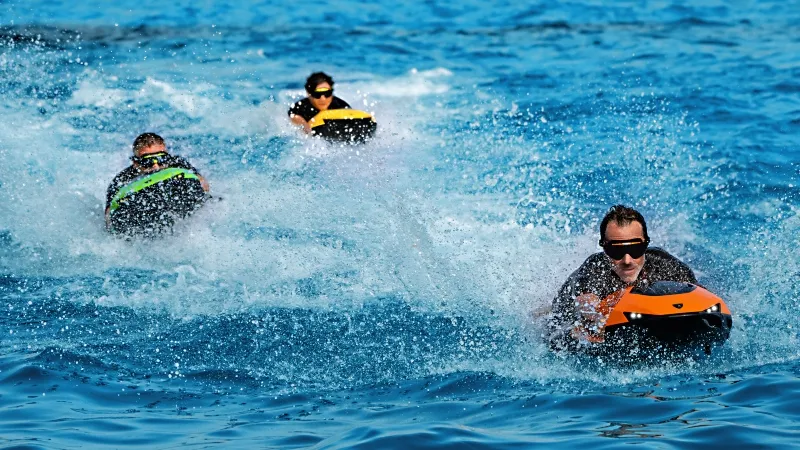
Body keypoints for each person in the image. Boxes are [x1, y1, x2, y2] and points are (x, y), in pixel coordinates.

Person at [547, 205, 698, 351]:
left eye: (635, 249)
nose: (627, 260)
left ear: (646, 243)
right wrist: (602, 316)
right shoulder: (595, 269)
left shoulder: (664, 264)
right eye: (616, 250)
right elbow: (586, 304)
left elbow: (701, 298)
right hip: (564, 312)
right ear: (604, 248)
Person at [105, 132, 209, 230]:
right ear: (135, 163)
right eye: (148, 161)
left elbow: (203, 185)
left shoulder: (177, 163)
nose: (156, 167)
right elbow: (109, 216)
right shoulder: (122, 180)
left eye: (161, 159)